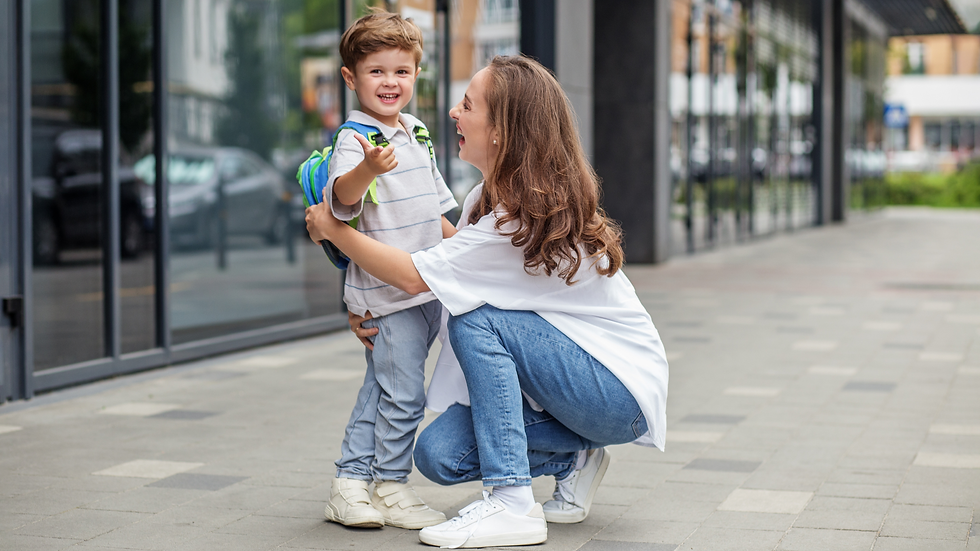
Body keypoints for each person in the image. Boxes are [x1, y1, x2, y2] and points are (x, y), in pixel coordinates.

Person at [307, 55, 668, 548]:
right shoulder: (486, 200)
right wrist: (367, 298)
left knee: (477, 321)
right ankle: (576, 458)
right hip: (568, 388)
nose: (453, 113)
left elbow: (418, 278)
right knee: (438, 455)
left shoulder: (516, 218)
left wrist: (334, 229)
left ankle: (511, 504)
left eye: (468, 104)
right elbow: (449, 259)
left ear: (501, 130)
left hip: (615, 391)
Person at [319, 10, 457, 530]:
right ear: (351, 77)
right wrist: (367, 170)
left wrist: (466, 250)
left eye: (401, 71)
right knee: (405, 395)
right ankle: (390, 485)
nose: (390, 82)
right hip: (387, 294)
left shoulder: (417, 131)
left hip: (425, 289)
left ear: (416, 74)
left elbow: (435, 215)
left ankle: (352, 484)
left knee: (384, 388)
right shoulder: (355, 139)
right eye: (376, 71)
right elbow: (340, 204)